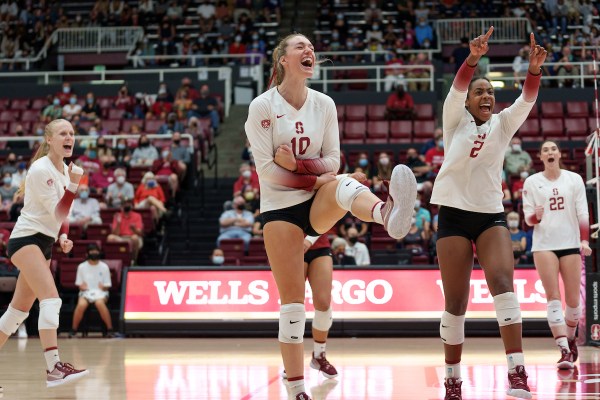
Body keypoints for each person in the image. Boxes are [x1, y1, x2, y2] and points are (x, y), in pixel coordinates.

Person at [245, 33, 417, 400]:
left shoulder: (324, 104)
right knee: (293, 305)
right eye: (300, 47)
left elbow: (333, 161)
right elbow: (268, 172)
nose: (309, 51)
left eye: (311, 48)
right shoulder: (262, 106)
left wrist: (304, 167)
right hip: (279, 209)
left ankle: (386, 213)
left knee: (342, 183)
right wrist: (315, 173)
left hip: (315, 198)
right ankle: (296, 390)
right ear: (283, 60)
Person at [430, 28, 546, 400]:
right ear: (467, 101)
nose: (486, 96)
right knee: (456, 303)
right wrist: (473, 59)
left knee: (502, 285)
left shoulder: (502, 124)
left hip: (489, 214)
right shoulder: (454, 118)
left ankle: (517, 372)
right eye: (480, 91)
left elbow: (527, 99)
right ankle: (452, 378)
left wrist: (533, 70)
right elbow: (459, 85)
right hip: (452, 215)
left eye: (491, 92)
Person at [3, 119, 89, 387]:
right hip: (25, 240)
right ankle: (53, 368)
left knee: (16, 314)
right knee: (51, 299)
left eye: (72, 133)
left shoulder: (64, 169)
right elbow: (59, 210)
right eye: (63, 133)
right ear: (49, 139)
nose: (69, 137)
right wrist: (74, 185)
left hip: (44, 242)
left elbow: (63, 215)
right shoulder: (41, 169)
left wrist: (62, 236)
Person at [522, 140, 591, 370]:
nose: (550, 152)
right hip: (544, 245)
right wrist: (536, 217)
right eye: (545, 150)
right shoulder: (532, 182)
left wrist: (584, 240)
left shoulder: (574, 179)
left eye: (553, 149)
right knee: (553, 297)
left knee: (573, 303)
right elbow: (527, 219)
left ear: (559, 154)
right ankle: (563, 349)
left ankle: (571, 339)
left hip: (570, 243)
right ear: (540, 157)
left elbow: (582, 211)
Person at [69, 243, 115, 338]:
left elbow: (108, 285)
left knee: (99, 303)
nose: (94, 253)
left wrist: (103, 287)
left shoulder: (104, 266)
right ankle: (73, 330)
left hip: (101, 292)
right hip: (86, 292)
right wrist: (82, 287)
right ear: (87, 254)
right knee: (81, 305)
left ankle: (110, 329)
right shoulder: (81, 267)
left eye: (96, 251)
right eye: (92, 251)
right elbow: (79, 284)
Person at [107, 199, 144, 264]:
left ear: (131, 206)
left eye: (128, 204)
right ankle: (113, 261)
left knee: (135, 237)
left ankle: (133, 260)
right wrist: (118, 223)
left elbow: (140, 233)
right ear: (121, 206)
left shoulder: (137, 216)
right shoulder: (117, 215)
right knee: (110, 237)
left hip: (132, 238)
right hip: (121, 238)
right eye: (125, 204)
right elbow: (115, 234)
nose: (126, 205)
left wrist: (134, 229)